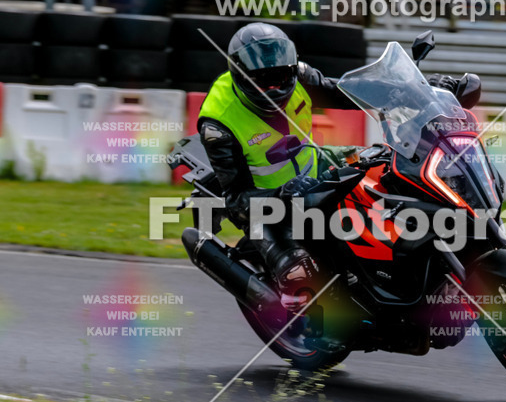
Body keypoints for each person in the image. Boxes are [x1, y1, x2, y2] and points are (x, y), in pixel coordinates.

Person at [197, 22, 480, 314]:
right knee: (299, 276)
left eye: (281, 77)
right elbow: (237, 201)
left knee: (390, 170)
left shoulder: (300, 77)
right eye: (263, 81)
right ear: (240, 77)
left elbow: (350, 92)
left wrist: (421, 88)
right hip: (270, 204)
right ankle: (294, 308)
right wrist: (283, 193)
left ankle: (405, 270)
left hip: (316, 165)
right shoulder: (218, 123)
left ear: (291, 70)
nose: (274, 88)